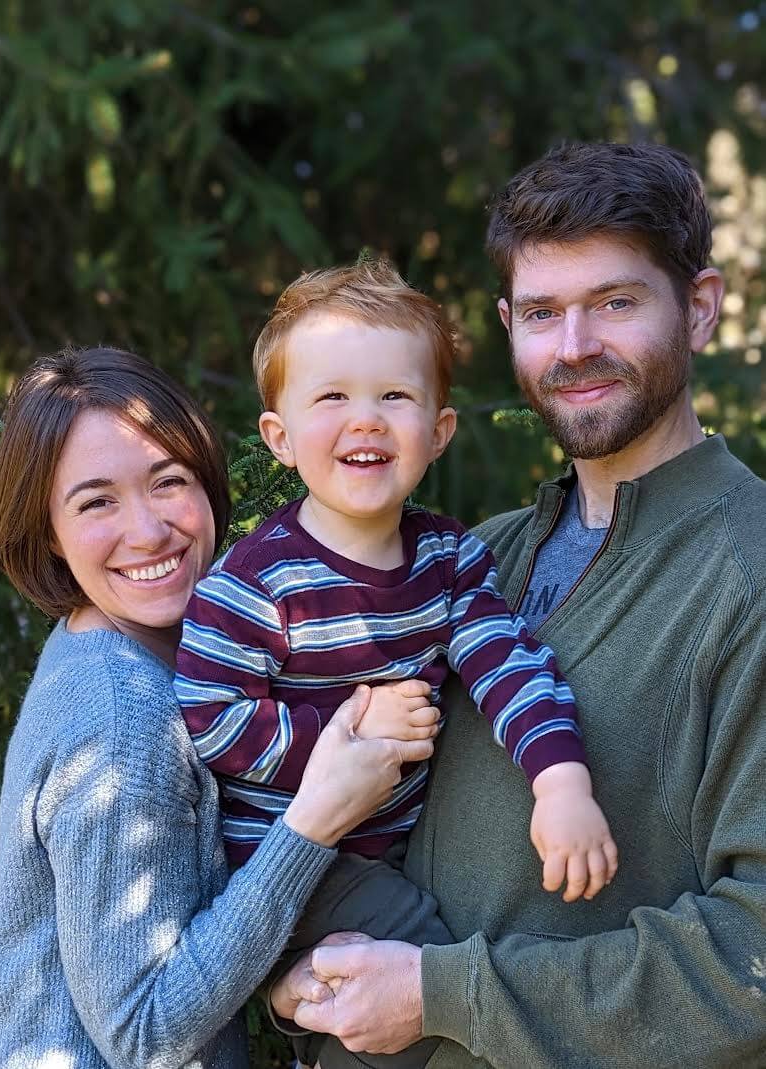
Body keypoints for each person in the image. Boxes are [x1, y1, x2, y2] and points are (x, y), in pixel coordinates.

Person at [272, 142, 766, 1068]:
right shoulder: (472, 557)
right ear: (508, 323)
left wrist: (441, 994)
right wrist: (299, 965)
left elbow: (752, 960)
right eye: (543, 312)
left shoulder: (749, 576)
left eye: (615, 302)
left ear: (698, 309)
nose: (573, 346)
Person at [175, 262, 617, 1067]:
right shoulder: (256, 580)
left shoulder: (448, 558)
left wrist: (561, 781)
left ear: (438, 430)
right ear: (279, 436)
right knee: (430, 984)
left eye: (394, 396)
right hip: (289, 863)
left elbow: (507, 664)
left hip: (393, 850)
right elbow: (211, 714)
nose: (365, 420)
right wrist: (351, 734)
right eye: (332, 397)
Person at [0, 346, 434, 1068]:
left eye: (168, 481)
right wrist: (314, 819)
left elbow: (175, 940)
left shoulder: (128, 646)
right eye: (96, 501)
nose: (149, 530)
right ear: (49, 535)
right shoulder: (123, 717)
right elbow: (144, 1032)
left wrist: (278, 986)